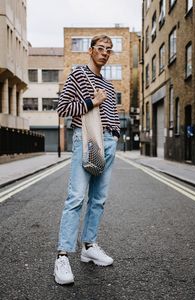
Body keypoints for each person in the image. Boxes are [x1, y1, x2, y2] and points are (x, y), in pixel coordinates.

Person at [54, 34, 120, 285]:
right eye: (100, 49)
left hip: (109, 142)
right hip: (87, 138)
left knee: (98, 200)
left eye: (108, 50)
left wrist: (115, 134)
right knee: (76, 198)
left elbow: (111, 115)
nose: (104, 53)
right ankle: (62, 256)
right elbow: (63, 108)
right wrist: (93, 101)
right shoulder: (78, 75)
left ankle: (88, 246)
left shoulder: (110, 86)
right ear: (91, 51)